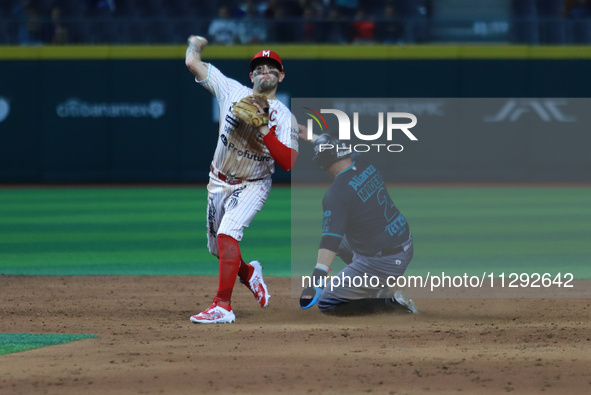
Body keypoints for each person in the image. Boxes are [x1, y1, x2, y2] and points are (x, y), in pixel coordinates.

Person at [185, 35, 298, 324]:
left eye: (272, 68)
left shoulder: (284, 118)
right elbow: (191, 62)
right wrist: (195, 44)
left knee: (227, 236)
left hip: (254, 183)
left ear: (281, 76)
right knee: (217, 249)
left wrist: (263, 130)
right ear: (251, 76)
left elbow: (287, 163)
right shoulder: (231, 90)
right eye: (259, 68)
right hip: (218, 180)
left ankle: (222, 305)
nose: (265, 72)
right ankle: (249, 273)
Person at [299, 133, 416, 316]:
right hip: (400, 241)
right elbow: (334, 148)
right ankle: (376, 287)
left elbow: (329, 242)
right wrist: (312, 137)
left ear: (322, 164)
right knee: (338, 243)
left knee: (328, 302)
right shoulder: (363, 163)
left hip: (384, 261)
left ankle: (390, 303)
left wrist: (317, 280)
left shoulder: (336, 195)